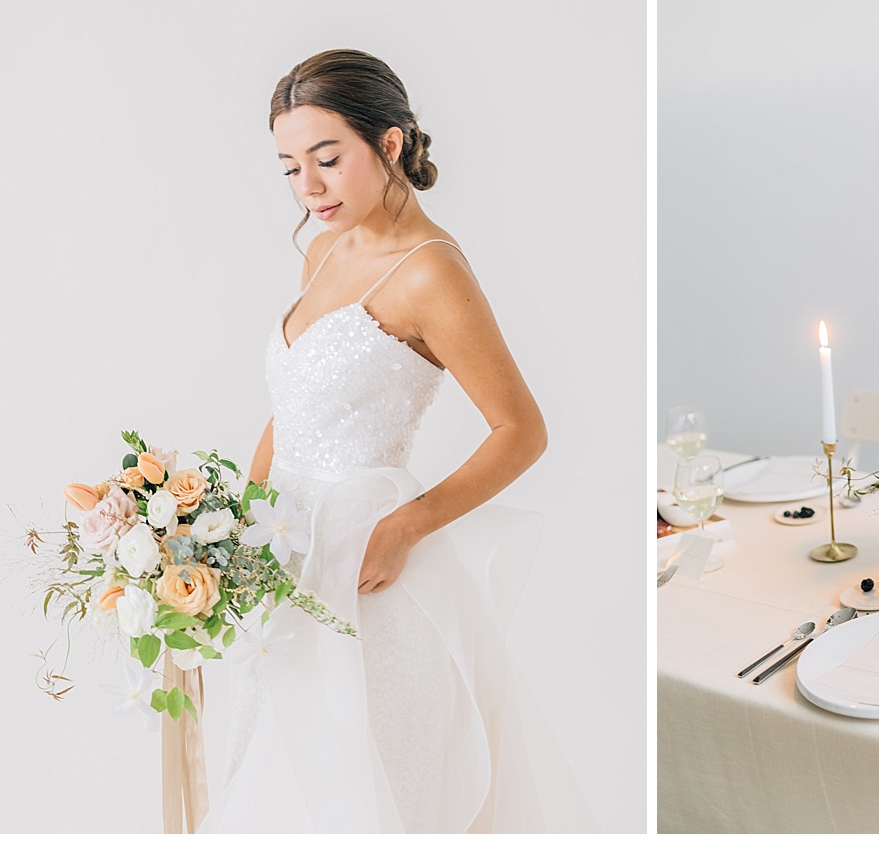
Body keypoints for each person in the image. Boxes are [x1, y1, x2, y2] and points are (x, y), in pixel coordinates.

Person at [199, 49, 597, 832]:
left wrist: (405, 525)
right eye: (289, 167)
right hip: (282, 550)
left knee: (363, 790)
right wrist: (233, 533)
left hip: (367, 568)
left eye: (326, 158)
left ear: (389, 144)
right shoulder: (322, 249)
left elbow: (522, 430)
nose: (308, 188)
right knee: (274, 783)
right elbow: (293, 406)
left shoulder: (430, 272)